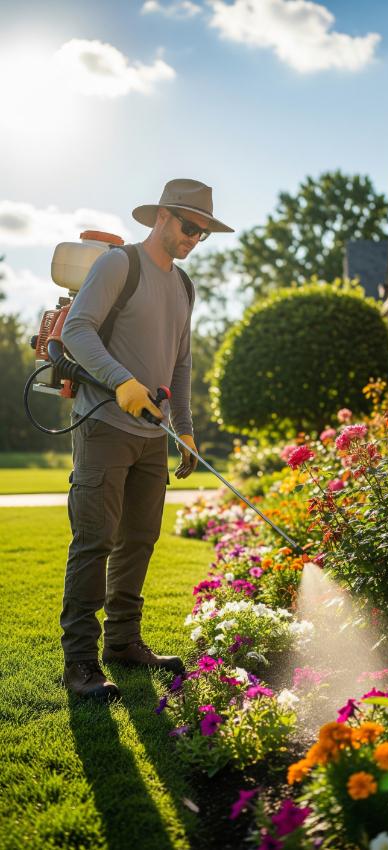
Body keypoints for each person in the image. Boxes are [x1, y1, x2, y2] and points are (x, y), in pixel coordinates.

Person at [60, 179, 234, 700]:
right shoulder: (120, 265)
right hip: (104, 426)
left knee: (139, 539)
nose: (194, 239)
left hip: (151, 436)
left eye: (203, 233)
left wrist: (185, 427)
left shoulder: (184, 286)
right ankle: (80, 663)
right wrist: (121, 381)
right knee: (94, 540)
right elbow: (78, 330)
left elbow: (181, 362)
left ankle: (123, 642)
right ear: (162, 216)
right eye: (189, 226)